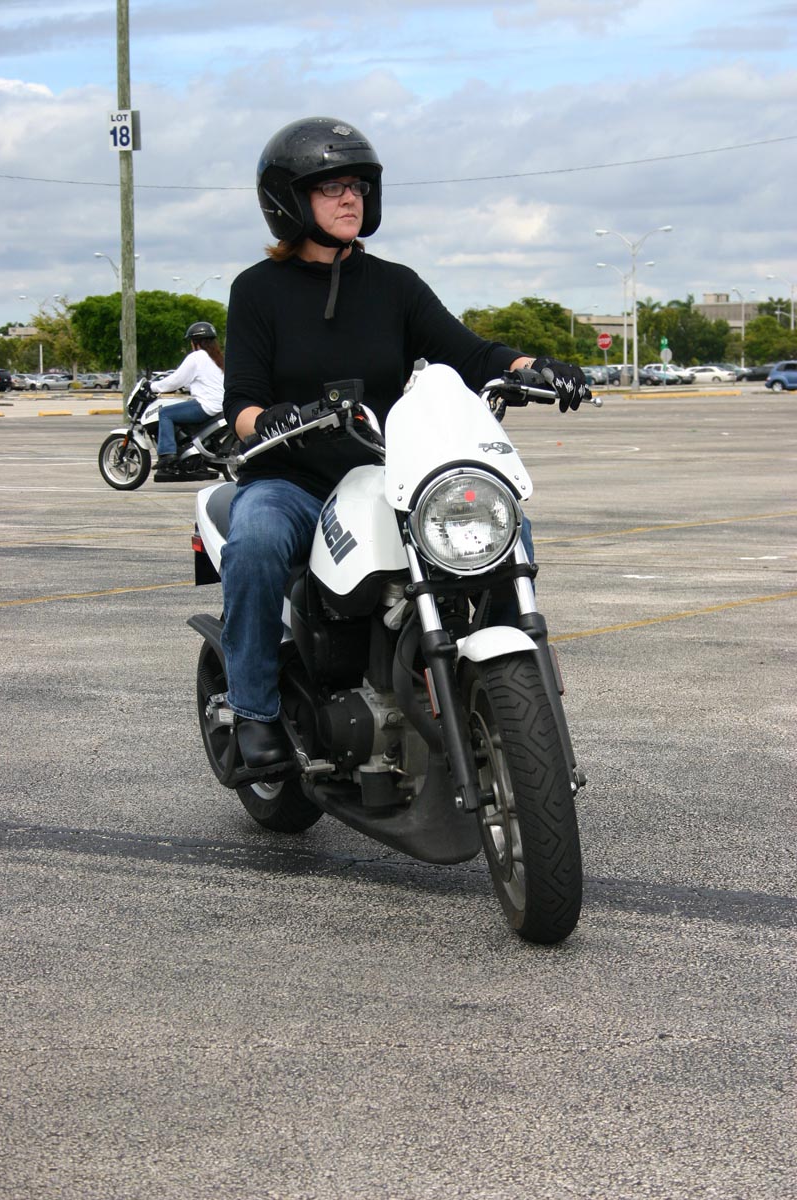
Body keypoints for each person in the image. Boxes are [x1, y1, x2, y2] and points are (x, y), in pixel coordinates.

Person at [220, 116, 589, 772]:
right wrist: (267, 420)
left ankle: (502, 687)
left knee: (503, 528)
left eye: (358, 186)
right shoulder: (257, 291)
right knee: (255, 540)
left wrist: (533, 367)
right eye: (331, 187)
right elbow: (240, 402)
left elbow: (469, 352)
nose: (350, 198)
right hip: (294, 483)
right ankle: (254, 711)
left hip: (386, 477)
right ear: (289, 201)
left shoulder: (395, 285)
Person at [151, 321, 225, 481]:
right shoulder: (217, 358)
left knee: (165, 413)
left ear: (195, 342)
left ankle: (167, 455)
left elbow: (175, 380)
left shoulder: (196, 357)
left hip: (206, 405)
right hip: (221, 405)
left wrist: (153, 387)